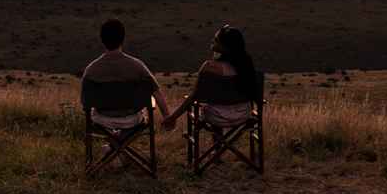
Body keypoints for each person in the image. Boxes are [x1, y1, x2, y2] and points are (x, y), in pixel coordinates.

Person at [81, 18, 170, 167]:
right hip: (132, 121)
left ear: (102, 41)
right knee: (140, 119)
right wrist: (167, 116)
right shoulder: (137, 65)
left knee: (97, 117)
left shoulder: (91, 69)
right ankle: (120, 149)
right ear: (123, 41)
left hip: (102, 121)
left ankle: (113, 148)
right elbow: (157, 93)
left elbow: (84, 103)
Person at [164, 26, 257, 158]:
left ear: (227, 47)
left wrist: (172, 118)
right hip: (243, 115)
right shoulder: (246, 66)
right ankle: (215, 151)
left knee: (215, 108)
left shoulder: (210, 66)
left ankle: (214, 150)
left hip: (217, 117)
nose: (212, 42)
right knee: (218, 106)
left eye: (217, 41)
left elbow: (193, 96)